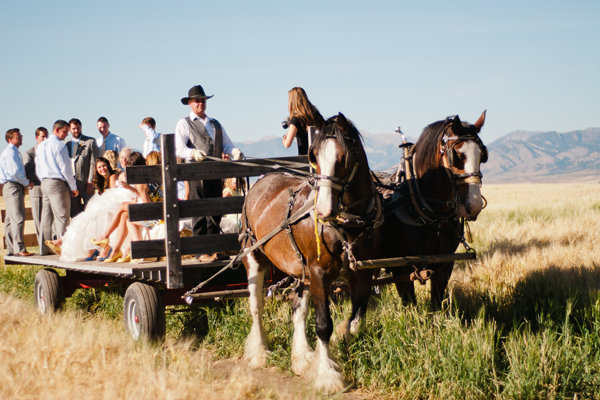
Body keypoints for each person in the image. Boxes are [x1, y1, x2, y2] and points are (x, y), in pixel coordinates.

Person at [175, 84, 244, 262]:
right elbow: (179, 148)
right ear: (190, 103)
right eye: (197, 101)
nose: (200, 104)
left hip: (215, 173)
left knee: (215, 211)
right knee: (199, 212)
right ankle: (200, 252)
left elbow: (227, 143)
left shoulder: (215, 124)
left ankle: (215, 249)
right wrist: (192, 153)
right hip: (195, 174)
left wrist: (234, 151)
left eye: (203, 101)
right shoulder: (184, 123)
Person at [35, 120, 79, 255]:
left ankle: (44, 249)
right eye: (65, 131)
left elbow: (38, 166)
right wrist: (73, 187)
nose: (66, 134)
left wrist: (43, 179)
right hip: (57, 182)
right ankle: (64, 248)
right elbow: (66, 169)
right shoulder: (59, 146)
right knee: (62, 216)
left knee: (46, 216)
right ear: (57, 130)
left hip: (44, 182)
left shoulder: (41, 146)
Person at [0, 128, 34, 256]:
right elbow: (15, 173)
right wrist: (27, 183)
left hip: (10, 186)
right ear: (10, 139)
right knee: (18, 217)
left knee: (10, 219)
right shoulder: (11, 152)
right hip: (14, 186)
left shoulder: (12, 152)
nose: (21, 138)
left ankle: (11, 248)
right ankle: (19, 248)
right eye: (18, 137)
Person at [66, 118, 99, 217]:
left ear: (81, 127)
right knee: (75, 214)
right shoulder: (66, 144)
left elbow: (94, 163)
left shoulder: (90, 141)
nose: (76, 131)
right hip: (72, 184)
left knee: (91, 212)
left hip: (86, 183)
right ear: (69, 129)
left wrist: (90, 181)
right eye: (74, 129)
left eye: (78, 128)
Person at [23, 127, 48, 252]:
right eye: (42, 136)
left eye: (46, 136)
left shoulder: (48, 151)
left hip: (48, 189)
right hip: (37, 188)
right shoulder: (30, 153)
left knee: (48, 218)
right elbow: (28, 171)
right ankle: (42, 248)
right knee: (38, 219)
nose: (45, 139)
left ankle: (50, 245)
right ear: (36, 138)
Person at [282, 87, 324, 155]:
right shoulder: (317, 115)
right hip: (320, 158)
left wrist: (284, 139)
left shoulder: (296, 119)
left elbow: (287, 144)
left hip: (305, 160)